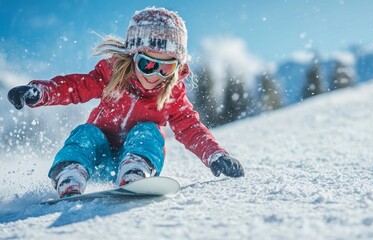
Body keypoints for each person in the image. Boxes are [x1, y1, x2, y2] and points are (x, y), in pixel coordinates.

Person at [7, 7, 244, 198]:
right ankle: (71, 173)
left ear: (176, 68)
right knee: (87, 132)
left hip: (138, 156)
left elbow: (190, 127)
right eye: (148, 65)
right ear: (133, 57)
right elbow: (75, 87)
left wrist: (215, 155)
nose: (155, 75)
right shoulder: (110, 76)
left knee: (149, 131)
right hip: (96, 156)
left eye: (166, 67)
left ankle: (135, 171)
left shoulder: (171, 94)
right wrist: (41, 93)